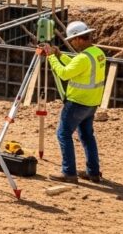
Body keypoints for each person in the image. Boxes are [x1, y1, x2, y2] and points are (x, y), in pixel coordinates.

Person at [41, 20, 107, 184]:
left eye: (72, 40)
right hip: (91, 103)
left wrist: (50, 57)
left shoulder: (83, 58)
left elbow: (64, 73)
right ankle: (93, 172)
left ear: (78, 39)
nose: (72, 44)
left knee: (63, 134)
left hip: (77, 103)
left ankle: (68, 172)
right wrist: (60, 55)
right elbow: (75, 67)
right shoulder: (97, 53)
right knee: (87, 136)